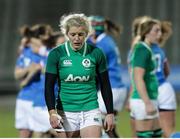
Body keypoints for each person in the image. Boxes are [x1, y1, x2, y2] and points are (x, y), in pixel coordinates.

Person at [44, 13, 114, 138]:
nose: (77, 38)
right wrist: (52, 112)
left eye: (81, 34)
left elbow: (105, 84)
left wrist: (110, 113)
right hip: (65, 111)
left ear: (86, 34)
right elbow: (48, 86)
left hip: (90, 109)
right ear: (67, 34)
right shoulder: (56, 54)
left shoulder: (96, 53)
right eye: (73, 34)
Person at [88, 15, 128, 138]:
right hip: (116, 87)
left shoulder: (103, 44)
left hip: (111, 88)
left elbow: (92, 66)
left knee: (94, 124)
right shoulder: (105, 41)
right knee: (109, 128)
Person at [129, 19, 162, 138]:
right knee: (146, 135)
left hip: (148, 97)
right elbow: (138, 77)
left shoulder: (147, 48)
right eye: (156, 30)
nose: (159, 34)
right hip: (142, 100)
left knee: (157, 133)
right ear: (146, 32)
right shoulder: (142, 50)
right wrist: (147, 103)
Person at [151, 21, 177, 137]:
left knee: (141, 133)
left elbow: (136, 77)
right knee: (168, 132)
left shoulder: (138, 50)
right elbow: (167, 71)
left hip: (148, 91)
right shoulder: (160, 51)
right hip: (164, 88)